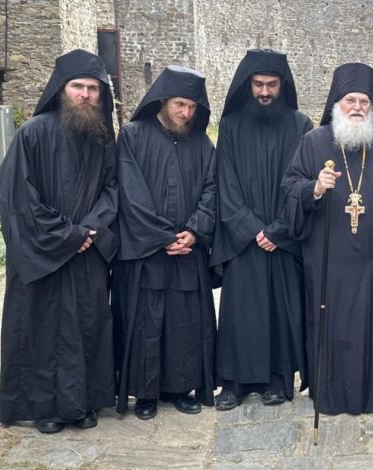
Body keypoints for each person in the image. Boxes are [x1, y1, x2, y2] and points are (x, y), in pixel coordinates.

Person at [0, 49, 118, 433]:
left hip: (87, 254)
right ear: (61, 89)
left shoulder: (102, 138)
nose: (85, 94)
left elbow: (114, 189)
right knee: (43, 330)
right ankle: (46, 408)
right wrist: (68, 234)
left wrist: (91, 228)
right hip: (45, 255)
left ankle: (83, 402)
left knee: (88, 324)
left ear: (102, 94)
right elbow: (18, 198)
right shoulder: (33, 132)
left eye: (92, 88)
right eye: (77, 86)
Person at [281, 63, 373, 414]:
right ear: (336, 104)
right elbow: (290, 189)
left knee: (370, 328)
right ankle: (331, 393)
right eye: (349, 100)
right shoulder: (313, 142)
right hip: (327, 260)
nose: (357, 107)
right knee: (331, 326)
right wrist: (316, 188)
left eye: (364, 101)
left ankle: (370, 393)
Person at [112, 65, 217, 420]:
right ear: (163, 100)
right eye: (179, 105)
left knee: (184, 324)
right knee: (145, 322)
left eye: (191, 107)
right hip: (145, 252)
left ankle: (179, 388)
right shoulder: (133, 135)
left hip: (188, 251)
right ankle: (144, 393)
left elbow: (212, 191)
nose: (185, 113)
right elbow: (129, 192)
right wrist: (162, 237)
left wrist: (194, 231)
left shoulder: (202, 143)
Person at [211, 49, 312, 410]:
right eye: (258, 84)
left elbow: (302, 182)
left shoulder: (301, 126)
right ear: (247, 85)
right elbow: (226, 183)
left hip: (281, 240)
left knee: (280, 312)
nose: (265, 91)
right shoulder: (231, 126)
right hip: (244, 241)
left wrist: (279, 231)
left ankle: (276, 380)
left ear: (282, 86)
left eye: (271, 84)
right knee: (241, 313)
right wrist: (253, 229)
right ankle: (234, 383)